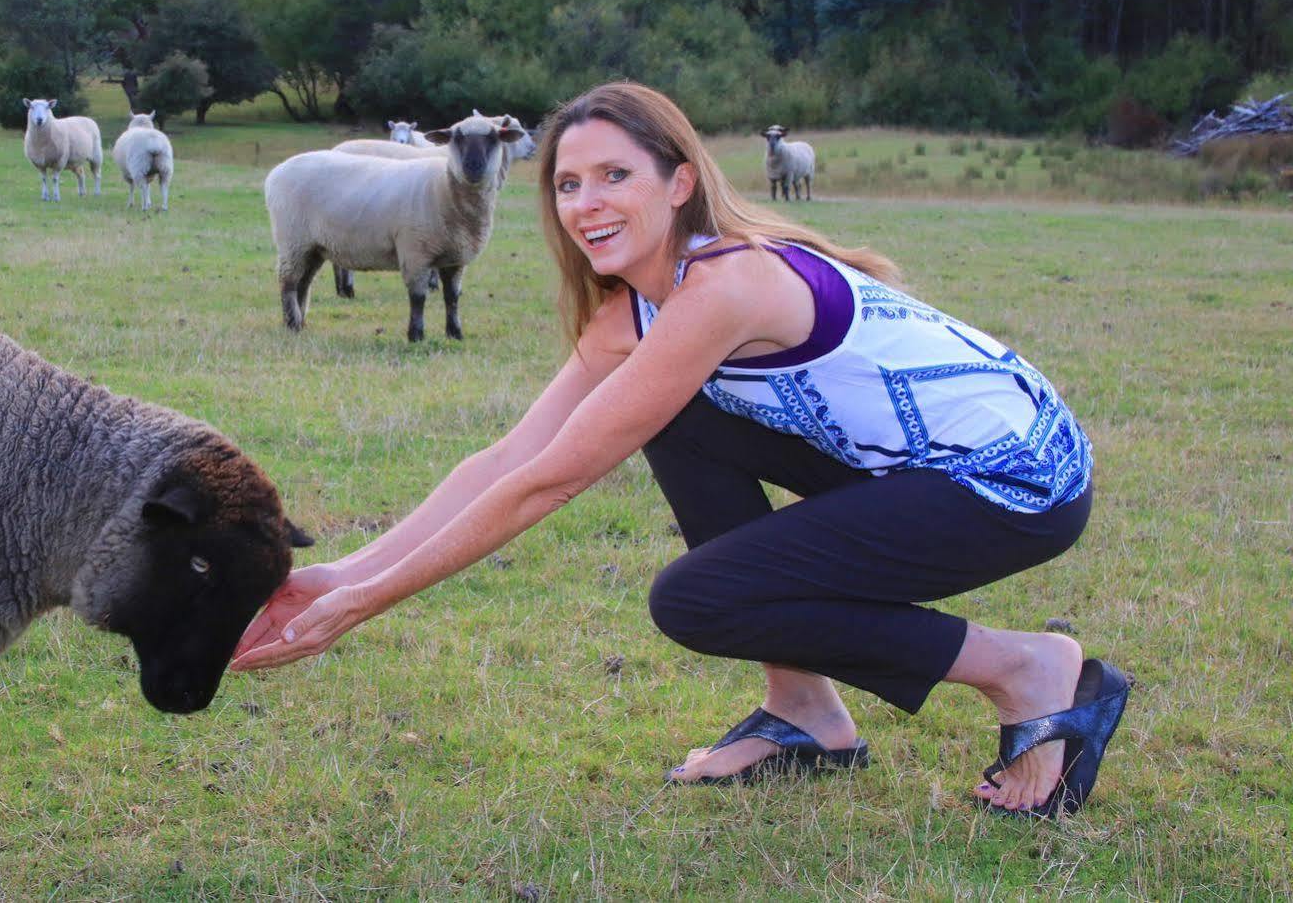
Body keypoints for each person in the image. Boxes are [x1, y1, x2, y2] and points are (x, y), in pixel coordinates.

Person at [230, 82, 1131, 818]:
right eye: (566, 183)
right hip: (898, 466)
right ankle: (805, 715)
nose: (585, 204)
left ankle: (1023, 668)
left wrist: (367, 605)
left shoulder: (728, 284)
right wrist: (339, 574)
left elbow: (551, 481)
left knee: (700, 599)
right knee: (675, 415)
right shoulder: (633, 313)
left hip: (1016, 479)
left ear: (677, 181)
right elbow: (508, 459)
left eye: (613, 174)